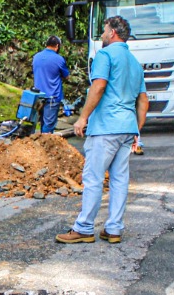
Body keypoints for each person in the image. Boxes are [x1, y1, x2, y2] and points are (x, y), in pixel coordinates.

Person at [57, 16, 147, 244]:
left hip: (106, 127)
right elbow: (143, 100)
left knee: (93, 177)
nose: (102, 35)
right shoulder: (135, 62)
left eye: (105, 31)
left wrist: (83, 117)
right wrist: (136, 128)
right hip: (127, 127)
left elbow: (98, 86)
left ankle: (84, 227)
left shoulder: (105, 56)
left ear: (113, 33)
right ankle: (114, 228)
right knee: (119, 179)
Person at [32, 35, 70, 133]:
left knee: (41, 122)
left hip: (38, 96)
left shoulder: (36, 57)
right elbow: (67, 76)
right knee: (48, 126)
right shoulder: (59, 59)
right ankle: (44, 146)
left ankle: (39, 144)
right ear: (57, 46)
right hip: (52, 96)